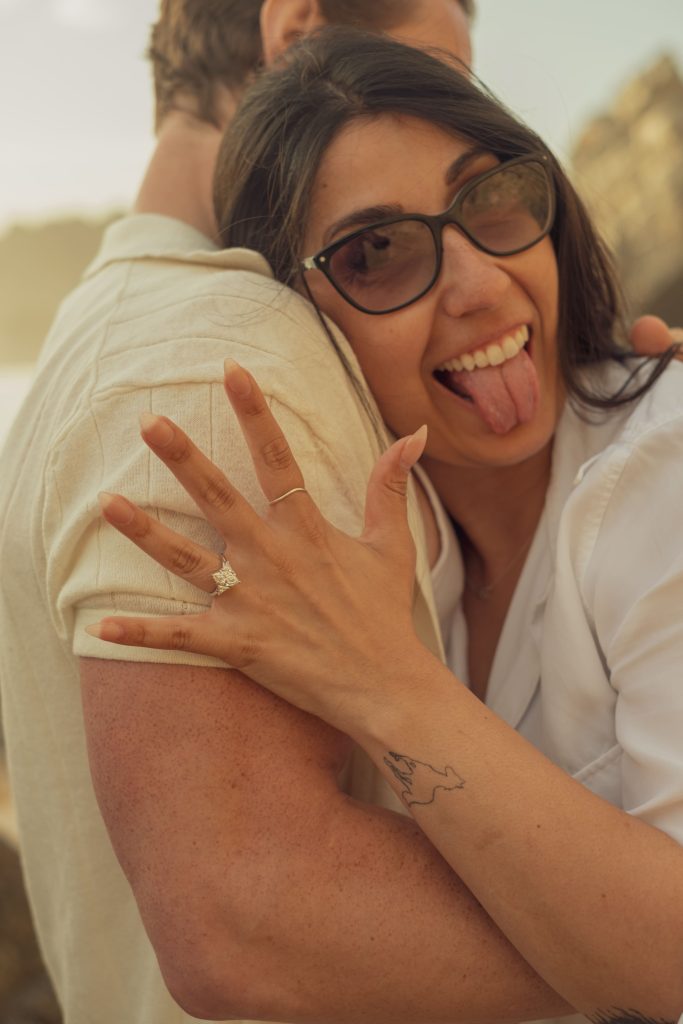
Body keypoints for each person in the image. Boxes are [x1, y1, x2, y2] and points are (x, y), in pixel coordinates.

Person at [0, 2, 676, 1022]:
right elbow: (245, 916)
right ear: (297, 33)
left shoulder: (97, 340)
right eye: (377, 252)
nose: (478, 283)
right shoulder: (229, 356)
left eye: (495, 196)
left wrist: (386, 687)